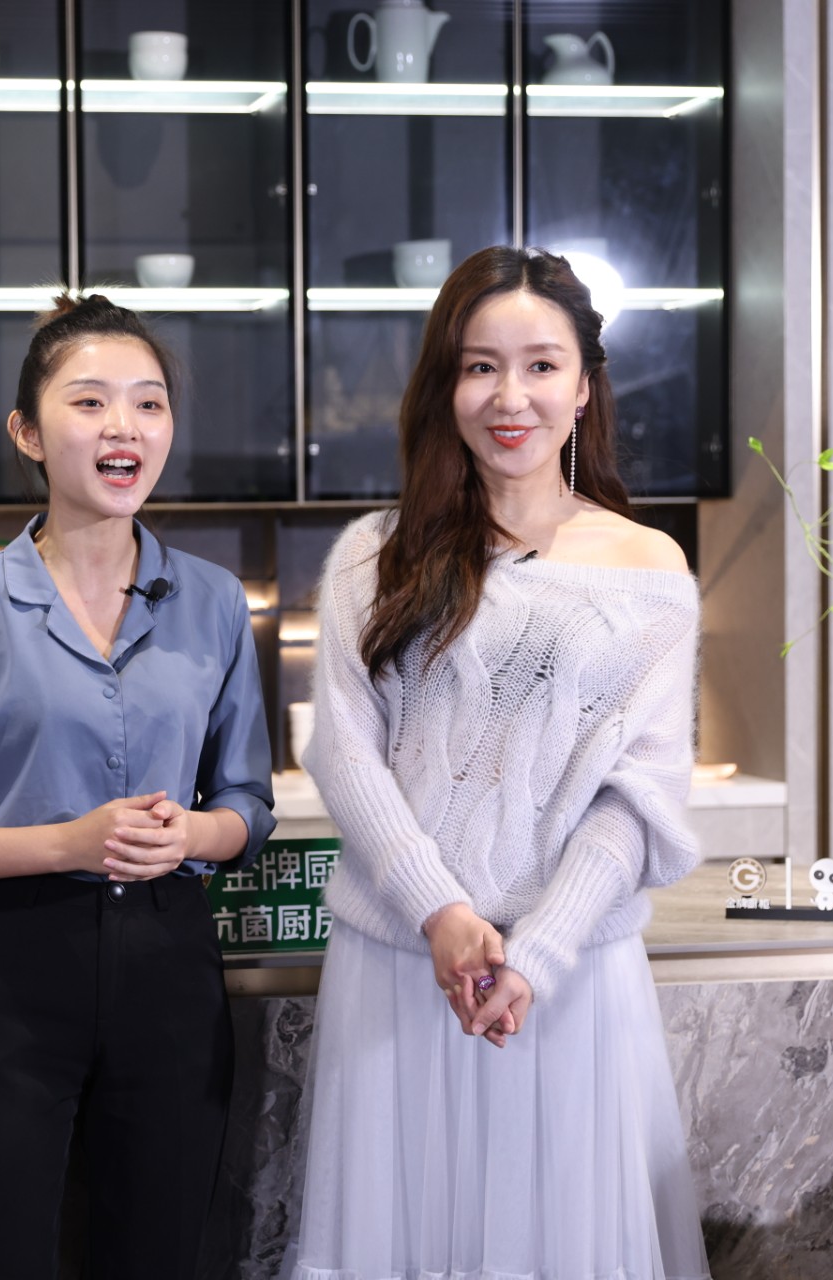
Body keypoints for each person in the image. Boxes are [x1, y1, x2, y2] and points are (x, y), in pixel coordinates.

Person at [288, 246, 710, 1279]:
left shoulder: (649, 569)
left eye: (541, 366)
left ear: (584, 386)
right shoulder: (372, 555)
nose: (509, 396)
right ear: (446, 385)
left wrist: (537, 954)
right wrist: (440, 910)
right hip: (399, 967)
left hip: (567, 984)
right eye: (480, 366)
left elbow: (638, 800)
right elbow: (344, 751)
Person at [0, 292, 276, 1280]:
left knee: (162, 1255)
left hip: (172, 973)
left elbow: (248, 803)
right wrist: (68, 841)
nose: (123, 426)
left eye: (148, 403)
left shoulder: (216, 603)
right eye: (90, 402)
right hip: (10, 975)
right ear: (28, 432)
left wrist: (192, 836)